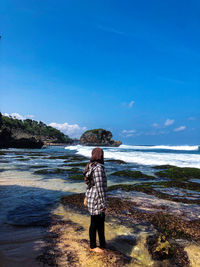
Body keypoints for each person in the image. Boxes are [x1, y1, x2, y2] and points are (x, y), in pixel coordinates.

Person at [83, 147, 107, 253]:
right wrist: (103, 205)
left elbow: (89, 185)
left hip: (92, 198)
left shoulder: (91, 166)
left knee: (100, 222)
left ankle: (102, 243)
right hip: (97, 201)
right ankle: (92, 246)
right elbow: (100, 188)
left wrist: (85, 197)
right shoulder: (98, 168)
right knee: (95, 223)